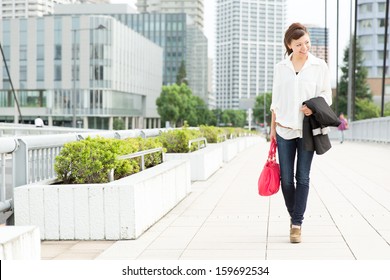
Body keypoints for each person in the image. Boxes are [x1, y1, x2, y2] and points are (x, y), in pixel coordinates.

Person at [270, 23, 332, 243]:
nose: (305, 47)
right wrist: (272, 131)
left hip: (307, 130)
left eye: (307, 42)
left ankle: (297, 224)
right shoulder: (280, 67)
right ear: (289, 45)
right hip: (284, 130)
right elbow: (274, 102)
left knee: (302, 177)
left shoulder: (319, 66)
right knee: (286, 180)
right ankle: (294, 214)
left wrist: (313, 107)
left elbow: (327, 95)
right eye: (299, 44)